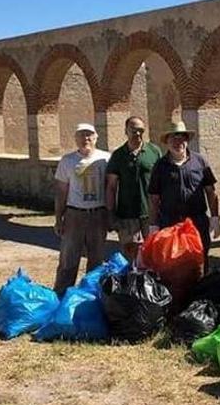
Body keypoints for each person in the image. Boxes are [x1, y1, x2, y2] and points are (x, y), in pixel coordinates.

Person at [148, 120, 220, 270]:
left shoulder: (200, 161)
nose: (178, 142)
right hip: (170, 223)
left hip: (197, 222)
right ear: (167, 142)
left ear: (187, 140)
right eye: (173, 139)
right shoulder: (160, 166)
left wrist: (214, 218)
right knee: (173, 264)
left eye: (181, 138)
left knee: (200, 261)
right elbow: (154, 198)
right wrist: (153, 225)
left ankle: (201, 292)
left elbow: (210, 191)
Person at [53, 123, 112, 297]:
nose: (85, 139)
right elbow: (61, 190)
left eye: (89, 135)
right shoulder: (67, 161)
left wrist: (110, 215)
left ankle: (92, 297)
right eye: (81, 135)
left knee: (97, 260)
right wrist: (58, 218)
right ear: (76, 139)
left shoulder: (106, 159)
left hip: (98, 214)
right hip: (74, 214)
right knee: (68, 260)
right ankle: (61, 298)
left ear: (96, 138)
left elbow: (111, 188)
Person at [105, 116, 162, 261]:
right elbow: (111, 187)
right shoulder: (118, 155)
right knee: (130, 256)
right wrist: (110, 214)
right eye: (133, 130)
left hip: (151, 214)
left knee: (154, 254)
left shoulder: (154, 152)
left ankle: (152, 283)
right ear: (126, 131)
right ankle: (130, 283)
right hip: (127, 215)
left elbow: (163, 182)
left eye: (140, 130)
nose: (137, 133)